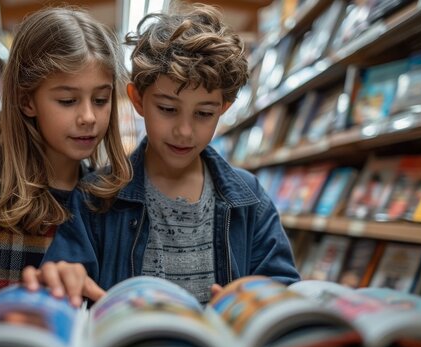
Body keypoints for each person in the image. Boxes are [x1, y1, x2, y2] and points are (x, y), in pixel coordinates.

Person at [24, 4, 300, 306]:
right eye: (167, 109)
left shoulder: (251, 201)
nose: (184, 131)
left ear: (224, 108)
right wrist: (63, 279)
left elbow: (283, 292)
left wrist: (259, 296)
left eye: (204, 113)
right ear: (137, 99)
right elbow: (66, 288)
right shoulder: (96, 199)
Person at [0, 6, 132, 303]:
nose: (89, 116)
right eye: (67, 100)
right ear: (27, 101)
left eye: (101, 100)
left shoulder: (112, 201)